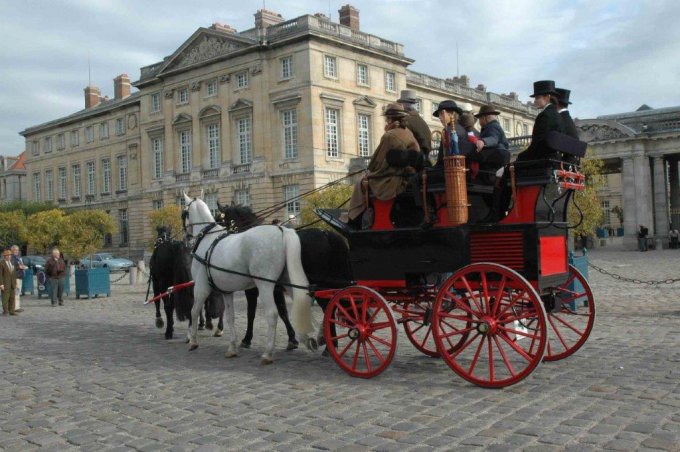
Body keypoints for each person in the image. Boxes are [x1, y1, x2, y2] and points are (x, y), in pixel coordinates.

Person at [347, 103, 420, 227]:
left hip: (392, 179)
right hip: (406, 176)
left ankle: (355, 217)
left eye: (386, 119)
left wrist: (369, 173)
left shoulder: (389, 136)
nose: (386, 121)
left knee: (361, 182)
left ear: (390, 119)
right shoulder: (407, 132)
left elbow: (374, 164)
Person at [516, 80, 565, 162]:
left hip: (543, 160)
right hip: (556, 160)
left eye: (537, 97)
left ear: (547, 97)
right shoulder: (558, 116)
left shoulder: (544, 115)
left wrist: (520, 157)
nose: (535, 101)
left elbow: (537, 145)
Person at [472, 105, 511, 185]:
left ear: (484, 118)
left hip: (492, 168)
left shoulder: (493, 127)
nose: (479, 121)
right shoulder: (491, 126)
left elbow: (493, 138)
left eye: (479, 118)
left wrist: (483, 141)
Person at [433, 99, 475, 166]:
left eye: (441, 114)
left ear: (452, 114)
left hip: (452, 169)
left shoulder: (449, 130)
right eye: (439, 115)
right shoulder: (460, 128)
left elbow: (443, 159)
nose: (440, 118)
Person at [397, 90, 432, 159]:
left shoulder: (405, 121)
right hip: (424, 157)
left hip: (414, 159)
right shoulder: (421, 121)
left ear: (403, 105)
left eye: (401, 104)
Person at [1, 249, 18, 316]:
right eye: (7, 255)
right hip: (5, 283)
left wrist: (15, 283)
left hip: (12, 283)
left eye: (10, 255)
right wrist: (1, 284)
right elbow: (0, 275)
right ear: (4, 256)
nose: (9, 256)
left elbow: (14, 274)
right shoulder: (1, 263)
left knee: (12, 298)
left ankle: (12, 311)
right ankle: (5, 311)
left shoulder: (12, 262)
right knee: (5, 298)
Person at [10, 245, 26, 313]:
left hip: (19, 276)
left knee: (17, 292)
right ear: (12, 250)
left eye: (17, 250)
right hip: (16, 277)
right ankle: (14, 307)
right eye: (15, 250)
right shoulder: (12, 258)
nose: (17, 251)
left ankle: (17, 306)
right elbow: (12, 268)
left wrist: (22, 266)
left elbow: (20, 265)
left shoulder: (18, 257)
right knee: (15, 292)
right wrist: (20, 267)